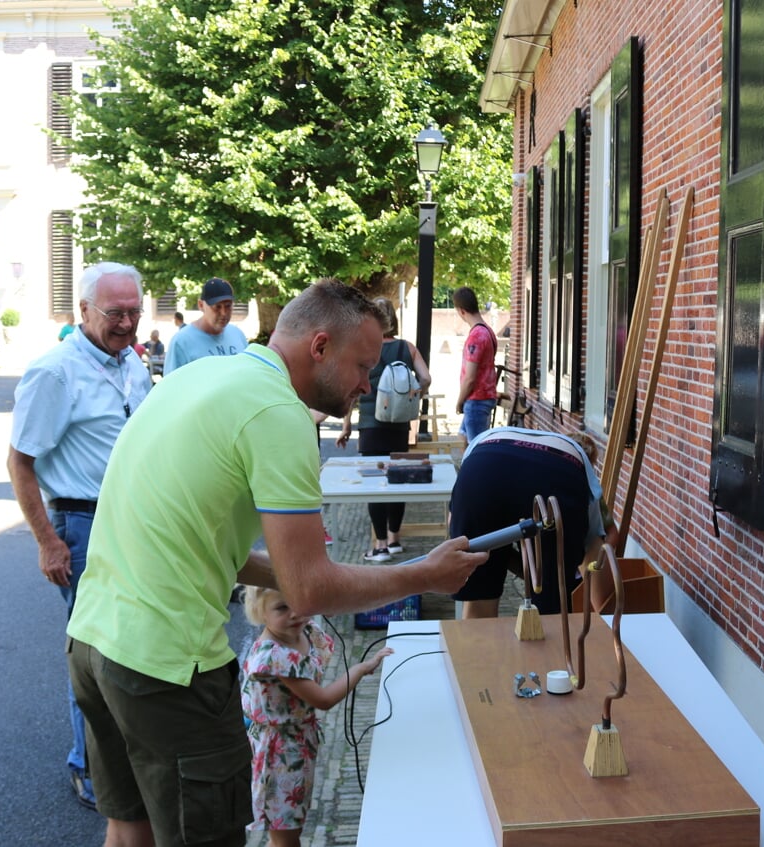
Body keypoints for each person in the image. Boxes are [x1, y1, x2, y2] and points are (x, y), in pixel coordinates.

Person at [65, 277, 487, 847]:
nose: (370, 382)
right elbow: (309, 591)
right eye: (364, 365)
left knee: (129, 828)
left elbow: (206, 544)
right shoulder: (278, 412)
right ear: (319, 348)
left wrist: (296, 569)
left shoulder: (202, 376)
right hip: (167, 667)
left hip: (94, 643)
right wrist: (424, 574)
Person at [7, 261, 152, 811]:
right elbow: (21, 464)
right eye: (116, 313)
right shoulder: (55, 372)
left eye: (135, 312)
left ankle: (118, 761)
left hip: (133, 523)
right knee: (93, 653)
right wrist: (48, 540)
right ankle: (89, 768)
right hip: (84, 524)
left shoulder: (131, 364)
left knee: (130, 647)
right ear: (84, 311)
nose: (127, 323)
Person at [241, 586, 393, 847]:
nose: (295, 613)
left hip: (297, 746)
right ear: (260, 612)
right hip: (278, 757)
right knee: (286, 837)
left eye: (298, 602)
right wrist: (360, 669)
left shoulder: (302, 630)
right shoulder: (275, 657)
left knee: (288, 829)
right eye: (281, 608)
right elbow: (323, 699)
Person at [449, 426, 606, 619]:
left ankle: (477, 646)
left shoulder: (483, 440)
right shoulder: (583, 472)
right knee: (553, 606)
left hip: (483, 465)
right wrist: (603, 613)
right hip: (557, 476)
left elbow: (458, 536)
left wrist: (494, 560)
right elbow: (595, 551)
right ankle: (551, 644)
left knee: (479, 598)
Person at [336, 297, 432, 562]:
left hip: (370, 426)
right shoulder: (407, 348)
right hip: (399, 426)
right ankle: (395, 539)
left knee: (374, 485)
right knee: (397, 481)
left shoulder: (363, 349)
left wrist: (346, 426)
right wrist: (414, 393)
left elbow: (350, 391)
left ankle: (379, 547)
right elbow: (426, 378)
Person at [164, 276, 249, 374]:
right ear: (201, 305)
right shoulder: (182, 341)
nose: (224, 313)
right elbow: (171, 385)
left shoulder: (237, 334)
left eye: (228, 306)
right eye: (217, 307)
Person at [452, 286, 498, 445]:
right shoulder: (488, 331)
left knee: (475, 448)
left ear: (461, 311)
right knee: (462, 438)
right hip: (484, 397)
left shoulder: (476, 336)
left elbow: (470, 378)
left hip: (476, 400)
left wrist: (459, 400)